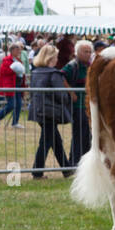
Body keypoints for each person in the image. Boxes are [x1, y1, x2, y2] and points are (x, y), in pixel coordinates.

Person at [27, 45, 73, 179]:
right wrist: (67, 99)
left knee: (55, 141)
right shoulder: (53, 73)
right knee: (46, 142)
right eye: (56, 57)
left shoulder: (35, 72)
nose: (57, 59)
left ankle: (67, 169)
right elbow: (61, 95)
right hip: (50, 111)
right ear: (51, 58)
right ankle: (37, 171)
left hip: (38, 110)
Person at [63, 39, 94, 164]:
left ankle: (84, 160)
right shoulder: (72, 65)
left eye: (89, 51)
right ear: (77, 52)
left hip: (88, 105)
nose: (87, 54)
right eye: (85, 51)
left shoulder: (90, 66)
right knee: (78, 134)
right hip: (77, 106)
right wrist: (71, 92)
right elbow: (61, 77)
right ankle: (75, 161)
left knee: (87, 134)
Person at [0, 41, 27, 127]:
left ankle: (15, 122)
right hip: (10, 85)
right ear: (12, 50)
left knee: (19, 104)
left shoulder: (19, 60)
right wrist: (14, 70)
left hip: (18, 85)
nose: (19, 52)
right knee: (11, 104)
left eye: (19, 50)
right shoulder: (6, 60)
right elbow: (3, 71)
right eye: (17, 50)